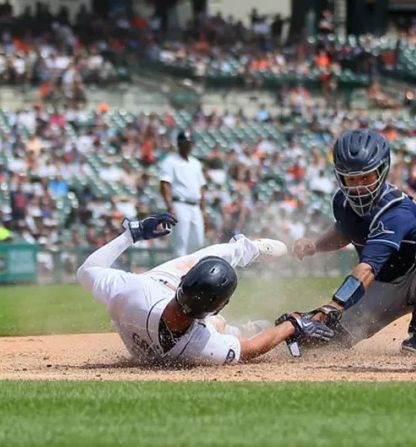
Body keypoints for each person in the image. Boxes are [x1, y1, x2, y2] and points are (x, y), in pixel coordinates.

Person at [77, 213, 335, 365]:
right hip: (170, 305)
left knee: (202, 262)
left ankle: (248, 249)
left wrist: (130, 235)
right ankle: (246, 250)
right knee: (220, 324)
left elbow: (86, 271)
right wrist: (293, 323)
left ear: (183, 282)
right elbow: (252, 347)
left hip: (155, 291)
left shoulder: (132, 291)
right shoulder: (198, 344)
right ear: (215, 308)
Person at [290, 129, 416, 355]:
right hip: (384, 282)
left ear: (381, 172)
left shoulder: (396, 211)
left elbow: (367, 268)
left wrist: (335, 305)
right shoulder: (342, 202)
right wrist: (316, 245)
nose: (359, 186)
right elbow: (344, 231)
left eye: (366, 177)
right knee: (329, 340)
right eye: (352, 179)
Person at [159, 130, 207, 258]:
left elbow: (201, 187)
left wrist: (203, 209)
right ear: (179, 144)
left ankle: (190, 270)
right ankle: (178, 275)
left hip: (195, 205)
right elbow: (165, 185)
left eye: (190, 143)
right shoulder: (170, 161)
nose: (188, 145)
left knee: (198, 241)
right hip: (179, 203)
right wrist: (170, 207)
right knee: (180, 243)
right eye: (185, 143)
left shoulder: (195, 163)